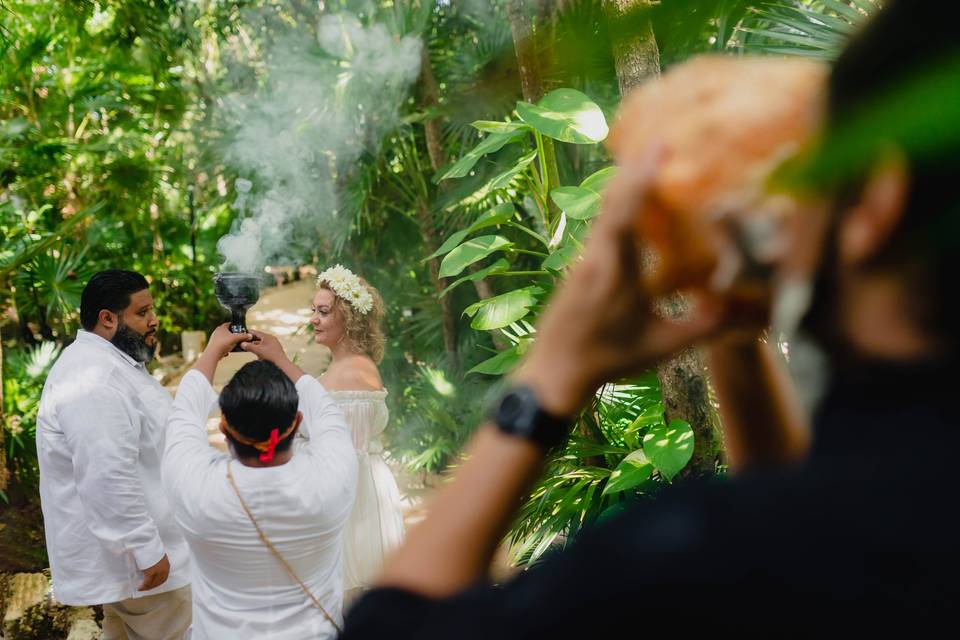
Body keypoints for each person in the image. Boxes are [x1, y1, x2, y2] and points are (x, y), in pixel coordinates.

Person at [341, 1, 960, 636]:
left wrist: (552, 374)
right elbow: (799, 533)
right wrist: (733, 335)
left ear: (877, 202)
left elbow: (389, 627)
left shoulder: (684, 561)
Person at [162, 324, 357, 639]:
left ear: (223, 429)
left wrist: (212, 351)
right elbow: (326, 411)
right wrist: (281, 359)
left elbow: (183, 413)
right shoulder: (333, 478)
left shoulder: (195, 486)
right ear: (296, 422)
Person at [36, 269, 191, 640]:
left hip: (138, 566)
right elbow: (107, 476)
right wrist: (146, 550)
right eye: (142, 312)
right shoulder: (94, 381)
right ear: (108, 318)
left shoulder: (110, 364)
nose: (154, 321)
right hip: (147, 568)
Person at [311, 265, 405, 599]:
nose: (314, 319)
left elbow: (342, 446)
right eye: (314, 311)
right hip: (353, 489)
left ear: (349, 318)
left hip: (354, 500)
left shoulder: (353, 372)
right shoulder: (344, 366)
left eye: (323, 312)